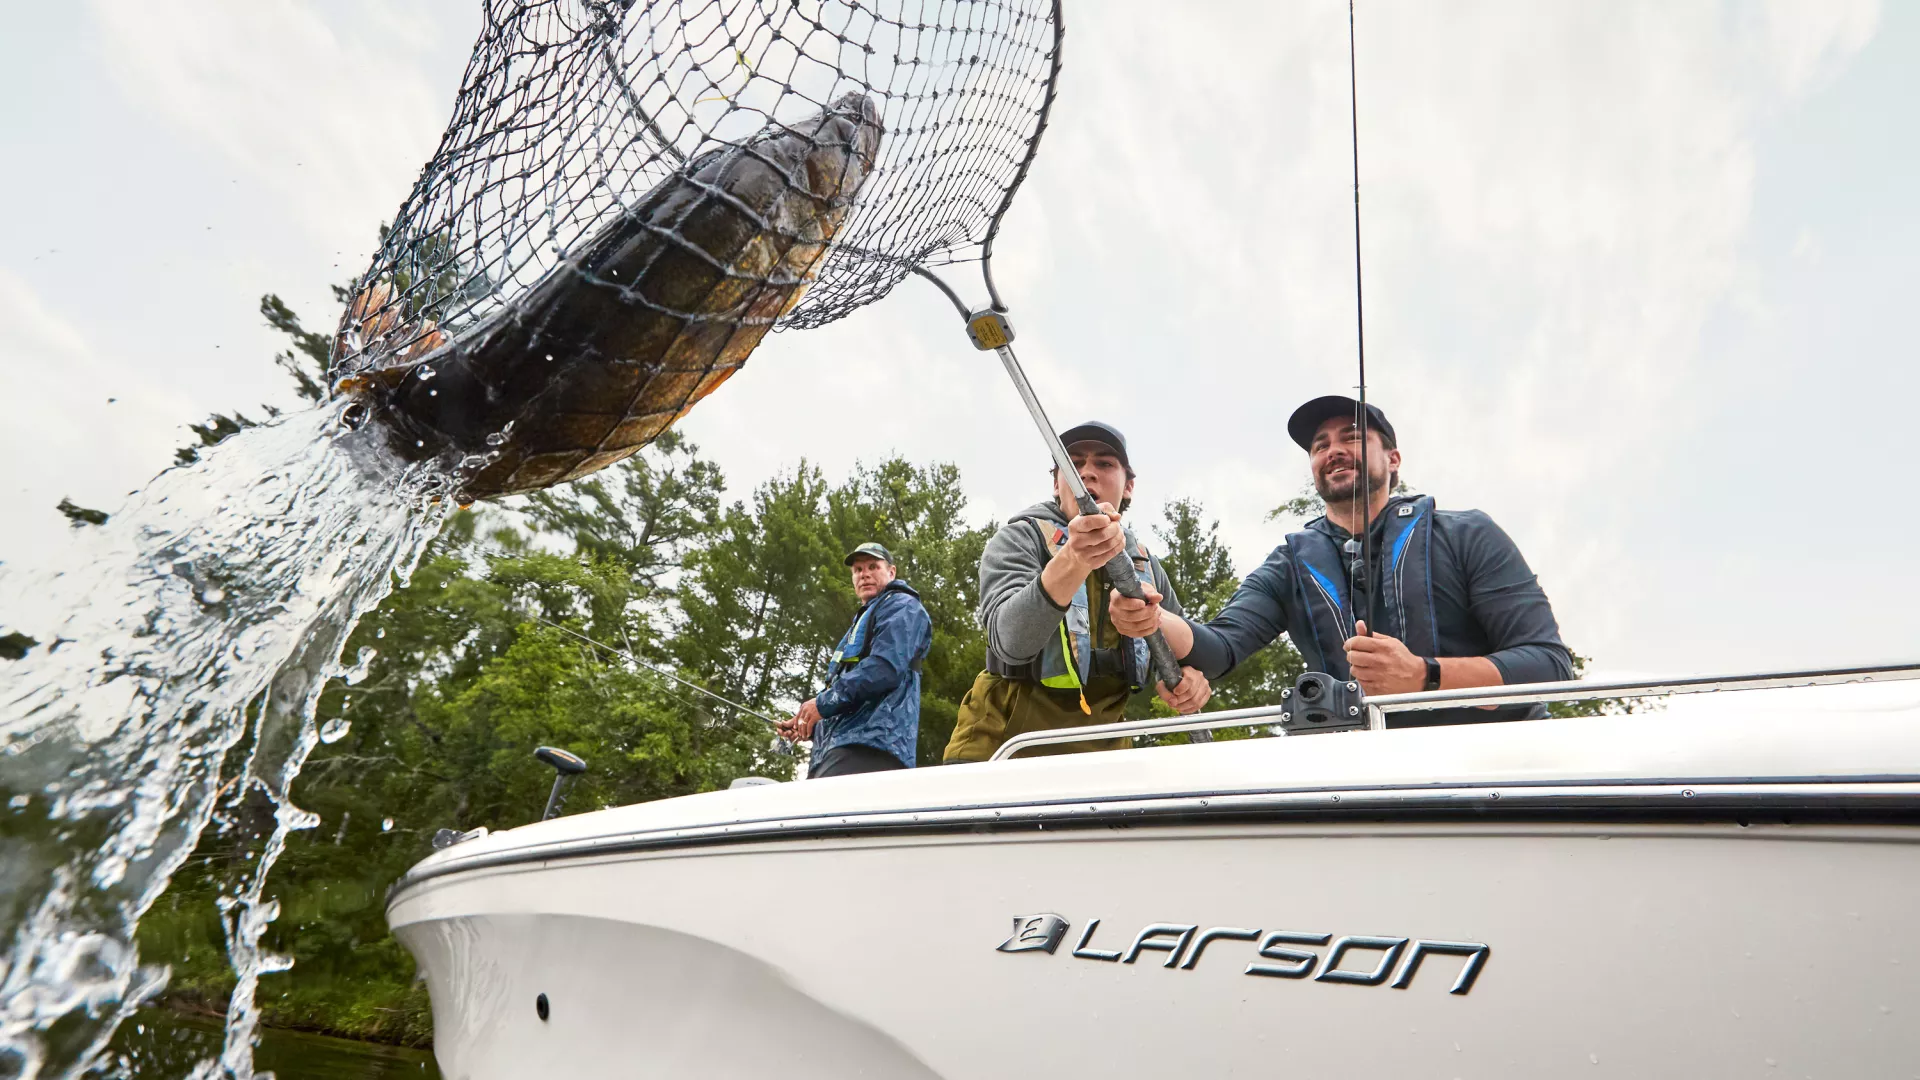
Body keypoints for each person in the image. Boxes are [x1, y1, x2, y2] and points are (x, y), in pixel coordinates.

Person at [1111, 396, 1573, 727]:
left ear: (1393, 459)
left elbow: (1549, 665)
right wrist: (1150, 616)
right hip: (1361, 779)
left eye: (1351, 437)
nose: (1332, 450)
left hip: (1498, 766)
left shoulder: (1468, 534)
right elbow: (1219, 649)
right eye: (1319, 445)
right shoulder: (1290, 563)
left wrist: (1424, 675)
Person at [943, 421, 1205, 762]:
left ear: (1129, 487)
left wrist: (1189, 680)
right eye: (1074, 463)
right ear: (1056, 483)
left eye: (1104, 463)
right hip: (1003, 749)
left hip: (1104, 757)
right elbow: (1010, 642)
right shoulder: (1018, 539)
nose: (1086, 473)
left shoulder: (1147, 565)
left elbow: (1184, 654)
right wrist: (1074, 558)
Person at [779, 542, 932, 777]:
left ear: (891, 572)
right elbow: (853, 695)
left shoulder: (903, 607)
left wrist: (821, 704)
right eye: (858, 570)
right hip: (839, 750)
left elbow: (884, 669)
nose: (865, 574)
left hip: (872, 749)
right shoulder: (864, 619)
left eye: (873, 566)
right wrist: (810, 724)